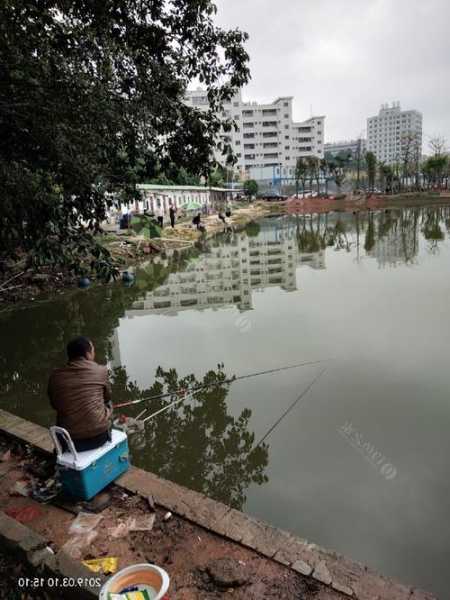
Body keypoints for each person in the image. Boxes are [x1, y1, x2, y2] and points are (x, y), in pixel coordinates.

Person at [48, 337, 113, 452]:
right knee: (108, 403)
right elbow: (107, 397)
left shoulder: (55, 376)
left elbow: (54, 404)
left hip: (68, 441)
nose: (94, 353)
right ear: (88, 354)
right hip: (100, 437)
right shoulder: (101, 370)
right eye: (93, 350)